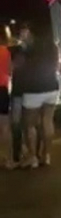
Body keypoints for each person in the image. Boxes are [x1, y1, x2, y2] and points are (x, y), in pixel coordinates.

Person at [22, 31, 60, 168]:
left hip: (33, 88)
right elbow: (57, 65)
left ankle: (33, 157)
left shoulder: (28, 48)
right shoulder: (53, 47)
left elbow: (21, 67)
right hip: (51, 86)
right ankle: (46, 155)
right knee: (48, 121)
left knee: (30, 124)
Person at [7, 23, 31, 168]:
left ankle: (21, 156)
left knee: (21, 124)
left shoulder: (16, 51)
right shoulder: (18, 50)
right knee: (22, 124)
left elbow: (10, 69)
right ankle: (24, 155)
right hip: (24, 90)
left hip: (22, 91)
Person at [0, 26, 12, 169]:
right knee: (4, 126)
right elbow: (9, 70)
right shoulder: (4, 51)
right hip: (1, 90)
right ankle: (8, 159)